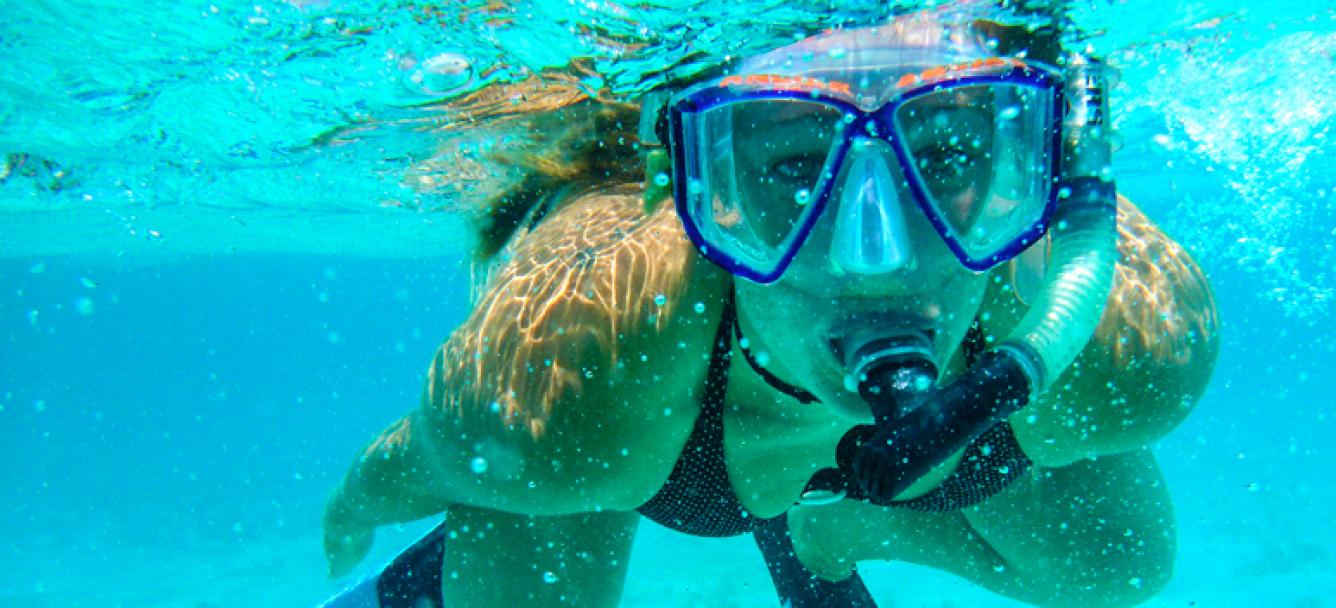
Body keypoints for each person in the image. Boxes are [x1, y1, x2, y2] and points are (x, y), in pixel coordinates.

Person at [321, 3, 1219, 607]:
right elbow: (438, 449)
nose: (878, 258)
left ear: (1031, 172)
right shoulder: (582, 370)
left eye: (945, 156)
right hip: (649, 428)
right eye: (795, 167)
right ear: (695, 191)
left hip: (683, 433)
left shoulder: (1125, 345)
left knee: (1119, 567)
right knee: (539, 475)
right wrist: (357, 501)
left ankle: (836, 527)